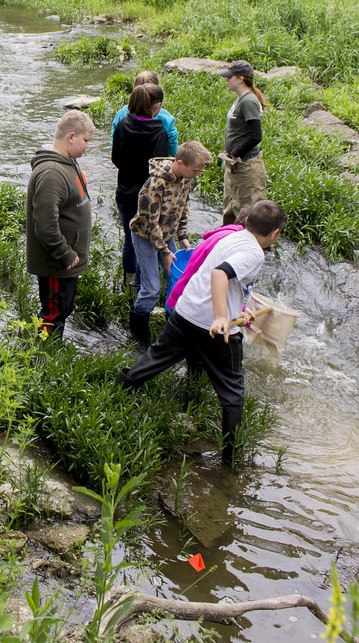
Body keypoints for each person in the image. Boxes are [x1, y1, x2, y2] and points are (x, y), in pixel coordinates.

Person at [116, 199, 288, 464]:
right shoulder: (255, 253)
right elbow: (220, 274)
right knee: (233, 393)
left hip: (186, 312)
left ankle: (116, 393)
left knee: (155, 359)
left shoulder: (231, 235)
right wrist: (222, 316)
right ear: (275, 233)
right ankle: (231, 458)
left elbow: (226, 280)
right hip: (214, 328)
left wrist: (238, 310)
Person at [128, 140, 214, 347]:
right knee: (152, 288)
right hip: (145, 236)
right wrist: (165, 252)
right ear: (181, 163)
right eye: (196, 170)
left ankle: (172, 325)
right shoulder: (155, 184)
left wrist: (183, 236)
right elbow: (150, 223)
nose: (198, 174)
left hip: (166, 237)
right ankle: (138, 332)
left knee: (176, 279)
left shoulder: (186, 179)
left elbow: (184, 207)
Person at [25, 110, 95, 339]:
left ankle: (46, 346)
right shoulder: (52, 172)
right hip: (57, 263)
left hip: (67, 259)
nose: (87, 146)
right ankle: (41, 353)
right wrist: (64, 253)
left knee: (61, 308)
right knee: (54, 312)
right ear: (71, 137)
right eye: (86, 140)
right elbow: (45, 225)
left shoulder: (68, 161)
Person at [111, 83, 169, 290]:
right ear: (157, 106)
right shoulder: (159, 132)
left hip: (125, 192)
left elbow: (116, 159)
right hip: (149, 197)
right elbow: (159, 171)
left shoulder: (122, 125)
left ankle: (129, 283)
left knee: (130, 238)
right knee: (149, 240)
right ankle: (147, 283)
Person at [219, 60, 269, 225]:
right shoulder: (240, 99)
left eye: (230, 77)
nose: (227, 79)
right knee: (231, 207)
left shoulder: (249, 101)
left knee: (248, 213)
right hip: (236, 165)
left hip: (246, 166)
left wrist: (235, 153)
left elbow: (256, 136)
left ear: (241, 79)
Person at [110, 70, 178, 155]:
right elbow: (172, 149)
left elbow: (115, 146)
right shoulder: (166, 118)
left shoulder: (121, 115)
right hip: (154, 166)